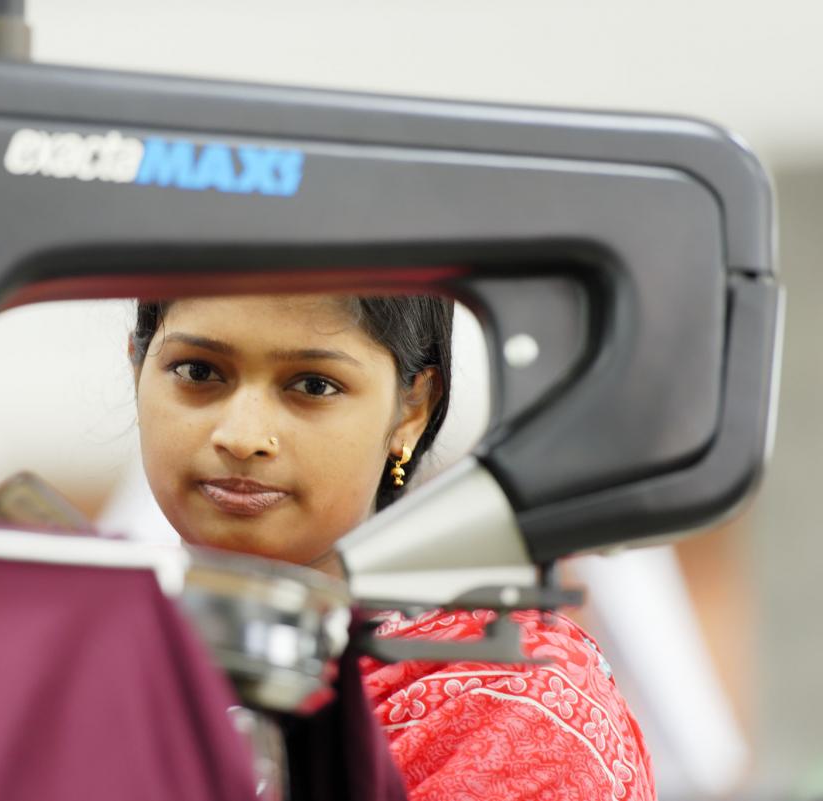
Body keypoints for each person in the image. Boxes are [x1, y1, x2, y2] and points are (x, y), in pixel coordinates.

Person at [129, 293, 656, 801]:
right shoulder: (81, 648)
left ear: (411, 411)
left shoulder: (511, 711)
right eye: (198, 371)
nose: (243, 436)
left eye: (313, 385)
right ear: (137, 369)